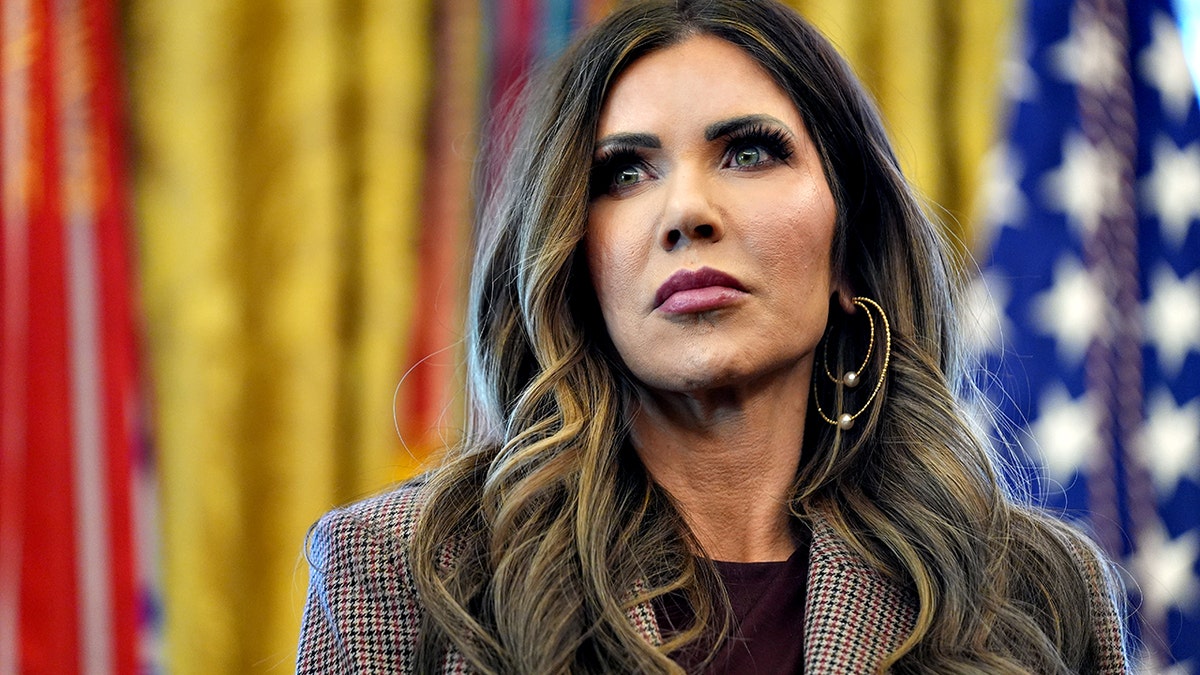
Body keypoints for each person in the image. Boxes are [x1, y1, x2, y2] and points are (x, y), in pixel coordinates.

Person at [297, 0, 1131, 672]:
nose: (686, 211)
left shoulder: (1036, 590)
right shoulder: (404, 573)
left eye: (750, 153)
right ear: (575, 259)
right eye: (624, 172)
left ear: (852, 254)